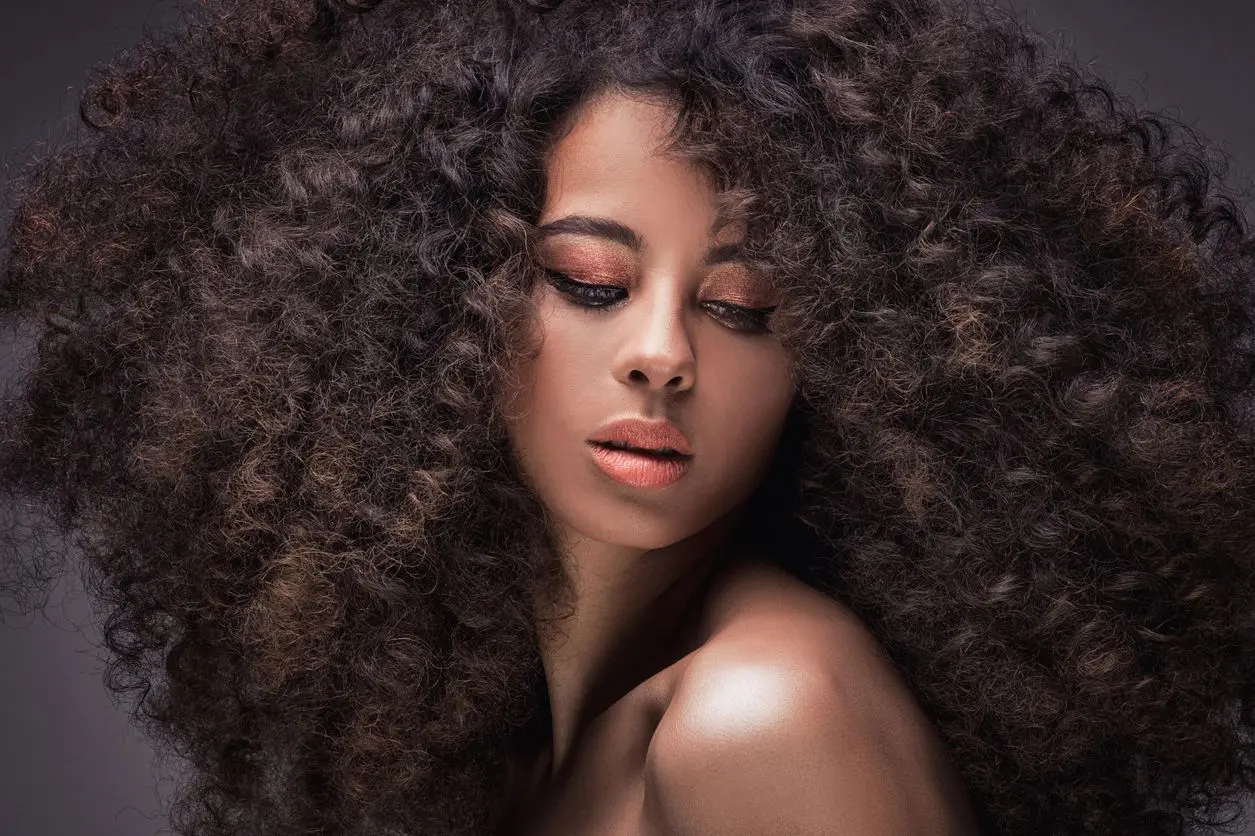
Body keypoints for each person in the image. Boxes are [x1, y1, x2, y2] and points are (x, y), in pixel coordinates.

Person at [1, 0, 1253, 834]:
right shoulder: (503, 756)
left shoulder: (765, 710)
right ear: (438, 295)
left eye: (745, 307)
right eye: (590, 283)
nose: (660, 355)